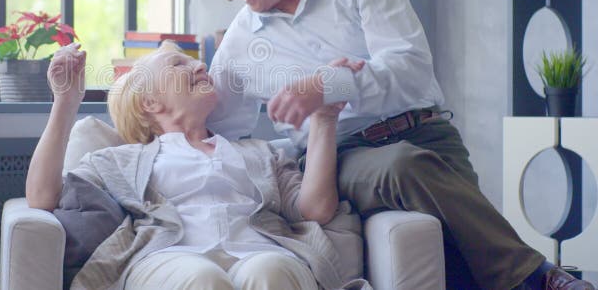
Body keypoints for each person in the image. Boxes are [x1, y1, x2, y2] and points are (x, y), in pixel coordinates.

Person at [185, 0, 595, 290]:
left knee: (459, 263)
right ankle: (539, 276)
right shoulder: (240, 43)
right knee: (403, 165)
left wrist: (329, 86)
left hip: (428, 134)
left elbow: (411, 70)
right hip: (341, 156)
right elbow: (213, 124)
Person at [25, 41, 369, 290]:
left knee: (272, 271)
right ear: (149, 102)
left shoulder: (259, 152)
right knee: (201, 279)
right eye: (179, 65)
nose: (201, 67)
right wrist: (66, 103)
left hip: (261, 251)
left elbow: (316, 210)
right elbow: (42, 197)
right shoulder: (121, 160)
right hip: (169, 258)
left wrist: (324, 119)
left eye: (196, 62)